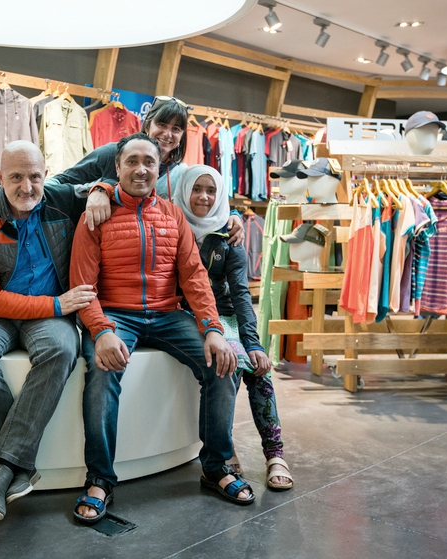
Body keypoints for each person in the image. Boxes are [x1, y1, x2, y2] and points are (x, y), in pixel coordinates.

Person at [70, 133, 255, 525]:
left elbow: (194, 276)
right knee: (103, 373)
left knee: (225, 363)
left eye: (149, 162)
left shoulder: (173, 215)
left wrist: (212, 329)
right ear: (117, 168)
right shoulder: (96, 216)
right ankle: (100, 479)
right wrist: (101, 331)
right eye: (132, 162)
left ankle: (216, 466)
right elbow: (82, 285)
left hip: (167, 315)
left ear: (159, 168)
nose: (141, 169)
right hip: (116, 315)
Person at [0, 140, 98, 520]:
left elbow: (113, 174)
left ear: (46, 175)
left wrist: (102, 192)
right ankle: (14, 463)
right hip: (0, 312)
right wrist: (57, 304)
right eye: (16, 177)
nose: (27, 187)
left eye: (35, 176)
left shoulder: (62, 200)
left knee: (62, 350)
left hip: (49, 317)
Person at [173, 165, 293, 491]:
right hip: (185, 315)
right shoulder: (171, 225)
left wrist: (253, 343)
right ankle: (225, 447)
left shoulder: (229, 233)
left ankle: (274, 454)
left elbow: (240, 292)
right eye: (196, 189)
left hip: (224, 314)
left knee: (255, 365)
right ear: (184, 190)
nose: (203, 197)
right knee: (229, 363)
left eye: (211, 190)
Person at [47, 95, 245, 243]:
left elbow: (205, 208)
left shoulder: (182, 173)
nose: (168, 134)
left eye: (176, 129)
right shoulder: (111, 154)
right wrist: (97, 189)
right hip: (98, 249)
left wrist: (233, 216)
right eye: (162, 124)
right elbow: (56, 184)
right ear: (148, 123)